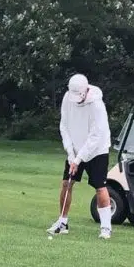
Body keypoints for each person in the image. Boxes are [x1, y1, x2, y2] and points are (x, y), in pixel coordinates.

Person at [47, 73, 113, 239]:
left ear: (85, 91)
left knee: (100, 187)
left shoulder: (96, 105)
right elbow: (64, 126)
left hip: (97, 150)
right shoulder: (67, 99)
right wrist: (71, 153)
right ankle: (62, 222)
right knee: (66, 184)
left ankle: (106, 227)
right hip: (75, 149)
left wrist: (78, 159)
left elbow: (96, 136)